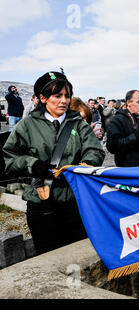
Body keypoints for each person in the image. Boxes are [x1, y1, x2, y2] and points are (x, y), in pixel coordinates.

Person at [2, 71, 105, 256]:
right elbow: (9, 158)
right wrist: (32, 164)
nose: (64, 100)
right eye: (57, 96)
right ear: (43, 98)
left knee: (78, 257)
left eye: (67, 96)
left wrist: (85, 164)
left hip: (76, 201)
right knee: (48, 257)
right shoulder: (26, 126)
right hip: (42, 205)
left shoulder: (77, 123)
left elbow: (95, 150)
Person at [106, 90, 139, 167]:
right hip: (127, 171)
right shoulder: (117, 120)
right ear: (128, 103)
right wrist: (136, 136)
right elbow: (112, 147)